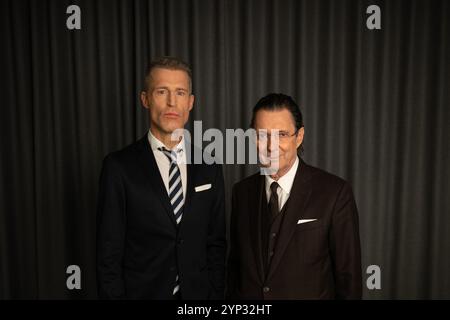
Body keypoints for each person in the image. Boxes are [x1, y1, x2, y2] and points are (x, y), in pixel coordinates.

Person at [97, 57, 226, 299]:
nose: (171, 102)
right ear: (145, 99)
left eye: (180, 93)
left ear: (190, 102)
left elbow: (215, 245)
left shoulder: (210, 167)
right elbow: (108, 255)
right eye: (161, 91)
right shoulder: (118, 167)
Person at [226, 93, 362, 299]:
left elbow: (349, 280)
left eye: (281, 134)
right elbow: (235, 270)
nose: (271, 147)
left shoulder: (335, 193)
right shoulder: (241, 192)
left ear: (299, 137)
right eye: (262, 135)